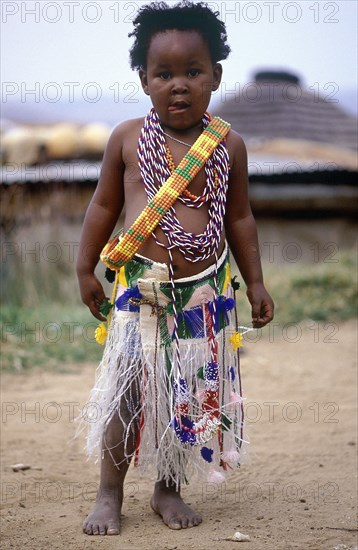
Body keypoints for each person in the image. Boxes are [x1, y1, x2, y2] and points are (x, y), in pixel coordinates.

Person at [76, 0, 274, 537]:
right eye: (164, 74)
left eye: (192, 71)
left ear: (216, 76)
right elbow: (101, 207)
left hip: (203, 295)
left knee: (184, 396)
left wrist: (254, 281)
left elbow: (240, 217)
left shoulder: (227, 145)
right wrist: (84, 268)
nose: (179, 85)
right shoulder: (125, 139)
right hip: (139, 291)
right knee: (128, 392)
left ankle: (168, 488)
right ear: (144, 80)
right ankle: (108, 494)